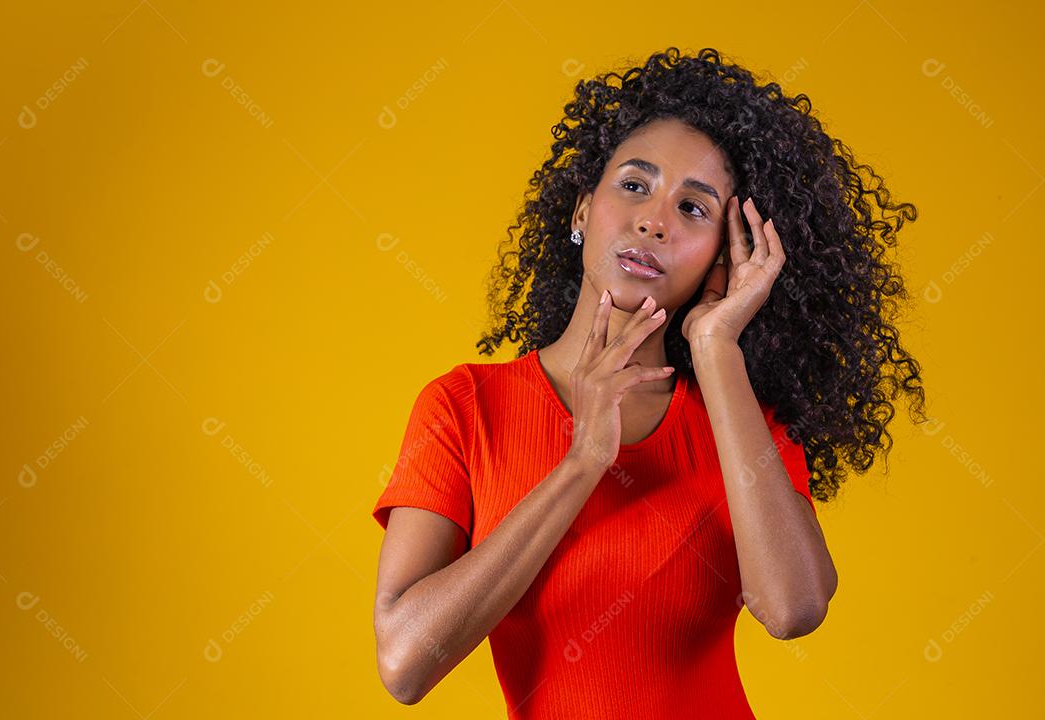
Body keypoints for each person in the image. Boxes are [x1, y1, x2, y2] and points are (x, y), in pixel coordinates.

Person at [371, 46, 926, 718]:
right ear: (581, 211)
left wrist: (715, 345)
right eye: (634, 185)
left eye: (693, 209)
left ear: (723, 254)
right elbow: (404, 662)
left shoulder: (740, 421)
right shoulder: (466, 408)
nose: (653, 220)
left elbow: (793, 608)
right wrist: (582, 463)